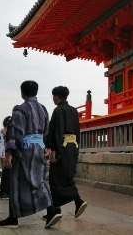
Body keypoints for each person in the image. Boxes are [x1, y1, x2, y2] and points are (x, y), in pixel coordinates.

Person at [0, 80, 61, 229]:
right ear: (36, 92)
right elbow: (47, 131)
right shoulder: (43, 109)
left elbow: (16, 131)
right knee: (38, 180)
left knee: (17, 181)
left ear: (22, 92)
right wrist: (45, 145)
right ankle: (52, 210)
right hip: (39, 147)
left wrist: (10, 152)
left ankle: (13, 218)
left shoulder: (21, 109)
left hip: (24, 149)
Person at [41, 86, 87, 221]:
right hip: (73, 146)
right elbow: (78, 130)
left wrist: (54, 150)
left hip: (62, 146)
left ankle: (77, 201)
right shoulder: (73, 110)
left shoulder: (58, 110)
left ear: (56, 97)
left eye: (53, 96)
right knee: (66, 175)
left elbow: (57, 131)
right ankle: (56, 209)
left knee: (55, 177)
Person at [0, 116, 11, 200]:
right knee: (6, 172)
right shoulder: (3, 131)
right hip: (5, 153)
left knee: (8, 172)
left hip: (8, 152)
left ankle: (7, 190)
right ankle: (4, 191)